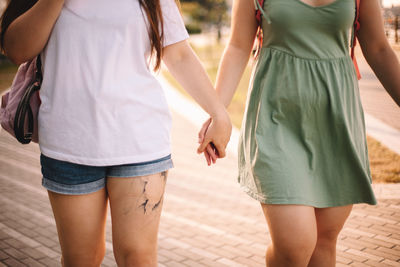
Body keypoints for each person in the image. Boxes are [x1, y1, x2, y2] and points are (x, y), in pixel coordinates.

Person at [0, 0, 232, 266]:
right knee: (81, 259)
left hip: (140, 141)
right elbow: (17, 50)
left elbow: (177, 53)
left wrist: (218, 112)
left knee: (138, 257)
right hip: (69, 144)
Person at [199, 0, 400, 266]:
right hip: (276, 119)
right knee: (294, 246)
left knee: (324, 244)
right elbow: (237, 46)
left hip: (337, 122)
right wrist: (218, 112)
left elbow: (378, 48)